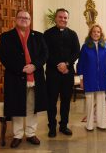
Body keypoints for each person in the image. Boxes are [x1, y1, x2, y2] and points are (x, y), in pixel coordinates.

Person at [0, 10, 48, 148]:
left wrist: (34, 66)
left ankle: (31, 134)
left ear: (30, 20)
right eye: (21, 17)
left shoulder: (38, 36)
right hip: (15, 77)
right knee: (17, 106)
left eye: (26, 18)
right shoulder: (6, 36)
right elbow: (3, 56)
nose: (24, 19)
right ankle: (17, 135)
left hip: (35, 76)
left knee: (32, 106)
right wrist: (21, 68)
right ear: (16, 20)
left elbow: (44, 54)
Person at [44, 8, 80, 137]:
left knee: (66, 101)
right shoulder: (47, 34)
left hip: (67, 73)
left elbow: (76, 51)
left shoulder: (73, 34)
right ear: (55, 18)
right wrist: (58, 65)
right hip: (52, 73)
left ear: (67, 19)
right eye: (60, 17)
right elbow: (45, 53)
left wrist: (67, 64)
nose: (63, 20)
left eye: (65, 18)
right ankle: (52, 127)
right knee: (51, 101)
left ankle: (63, 125)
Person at [77, 24, 106, 131]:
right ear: (90, 34)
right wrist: (81, 79)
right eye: (94, 32)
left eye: (98, 32)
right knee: (90, 102)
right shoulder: (85, 46)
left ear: (101, 34)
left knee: (101, 102)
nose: (96, 33)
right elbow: (80, 63)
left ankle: (101, 124)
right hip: (89, 77)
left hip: (102, 78)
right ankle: (89, 125)